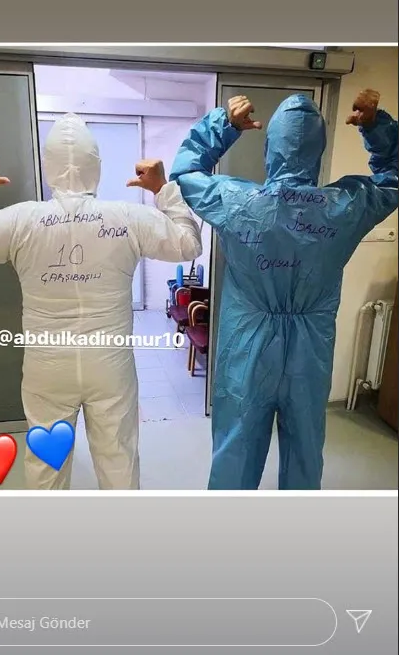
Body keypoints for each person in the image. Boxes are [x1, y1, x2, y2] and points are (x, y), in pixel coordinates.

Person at [0, 113, 202, 490]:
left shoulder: (22, 219)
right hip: (110, 363)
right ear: (96, 167)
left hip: (47, 366)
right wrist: (163, 189)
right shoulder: (127, 218)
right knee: (118, 459)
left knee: (46, 464)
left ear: (49, 166)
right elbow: (188, 244)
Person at [170, 89, 398, 490]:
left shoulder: (236, 201)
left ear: (270, 148)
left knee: (236, 446)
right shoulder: (345, 206)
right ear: (319, 151)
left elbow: (187, 174)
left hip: (248, 346)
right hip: (310, 348)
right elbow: (393, 178)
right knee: (305, 447)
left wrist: (223, 127)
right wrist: (375, 128)